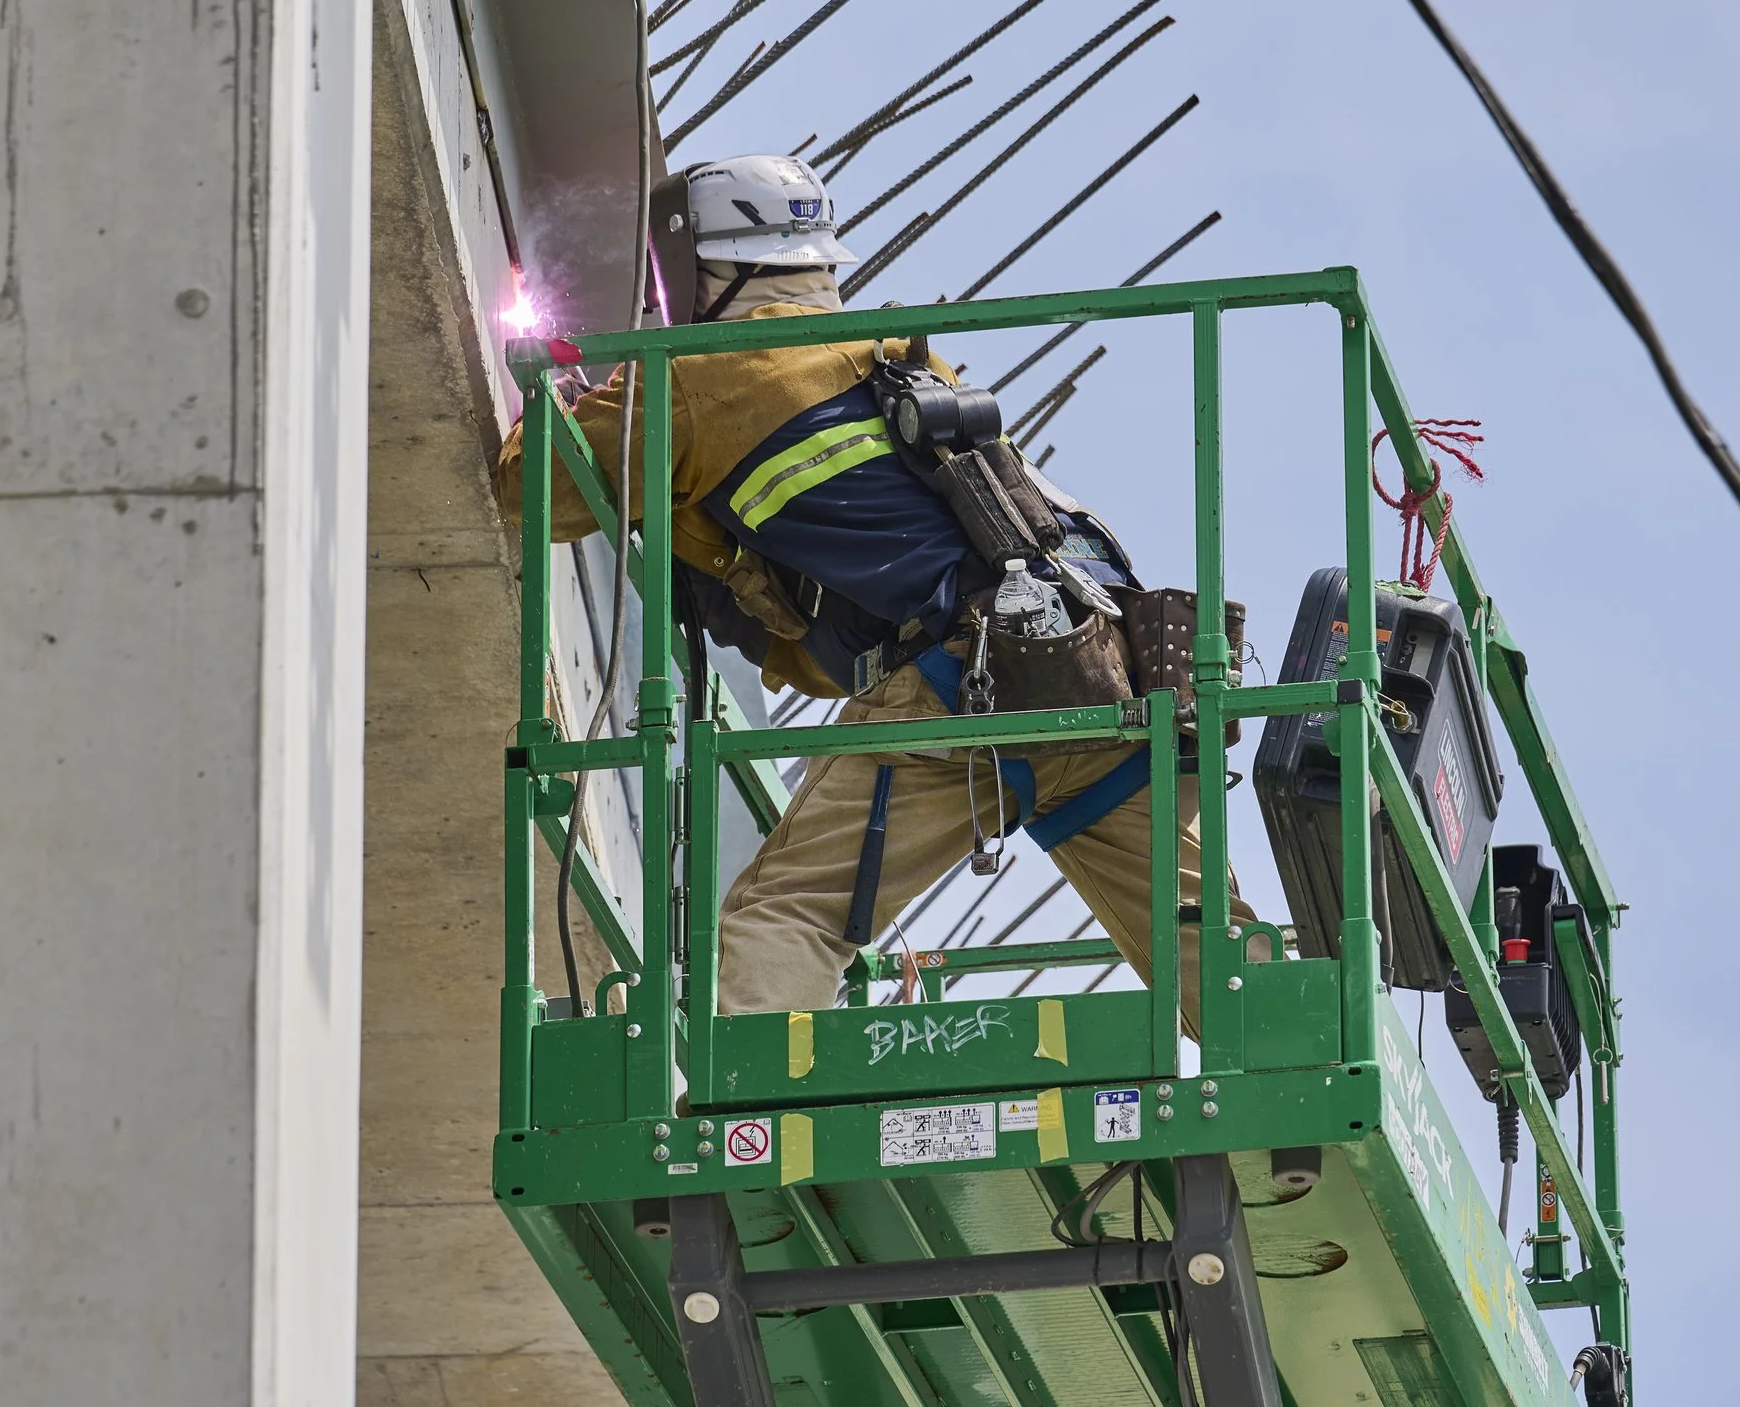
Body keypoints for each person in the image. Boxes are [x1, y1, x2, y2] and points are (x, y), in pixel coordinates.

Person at [498, 153, 1250, 1018]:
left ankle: (748, 1129)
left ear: (695, 265)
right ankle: (1295, 1064)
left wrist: (560, 402)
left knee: (790, 915)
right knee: (1209, 945)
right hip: (1106, 671)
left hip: (959, 692)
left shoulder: (697, 374)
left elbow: (529, 489)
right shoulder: (902, 356)